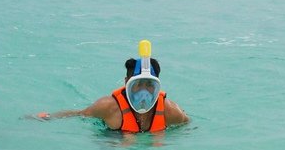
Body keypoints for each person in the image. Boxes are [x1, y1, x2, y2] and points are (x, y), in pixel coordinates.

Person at [33, 43, 189, 133]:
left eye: (149, 85)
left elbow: (188, 126)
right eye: (138, 84)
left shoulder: (170, 111)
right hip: (111, 139)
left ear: (157, 85)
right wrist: (47, 117)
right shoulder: (108, 107)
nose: (144, 91)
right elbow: (78, 114)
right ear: (127, 82)